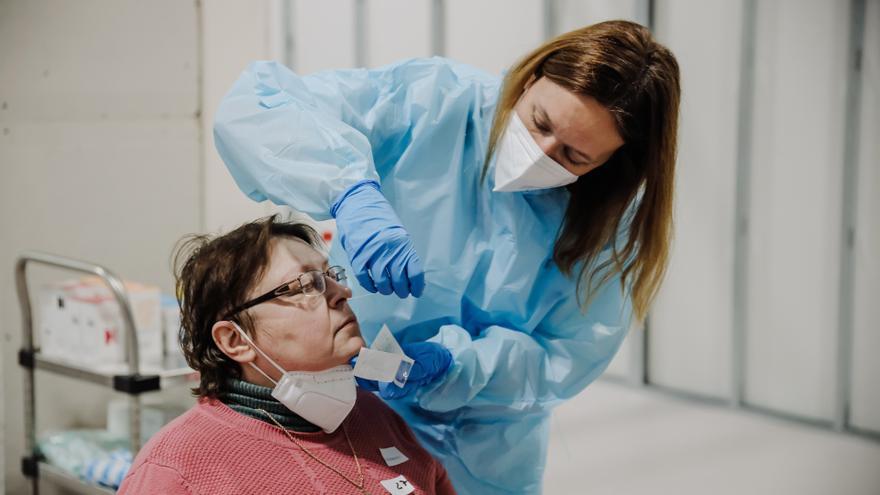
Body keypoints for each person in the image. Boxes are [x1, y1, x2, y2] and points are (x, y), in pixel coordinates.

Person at [214, 20, 680, 494]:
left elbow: (567, 355)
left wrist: (459, 367)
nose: (540, 152)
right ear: (530, 77)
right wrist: (348, 189)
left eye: (573, 157)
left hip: (489, 448)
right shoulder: (435, 103)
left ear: (609, 165)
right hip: (354, 407)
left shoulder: (613, 219)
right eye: (539, 122)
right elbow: (257, 107)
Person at [117, 215, 456, 494]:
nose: (342, 292)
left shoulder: (377, 418)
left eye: (330, 275)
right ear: (235, 340)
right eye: (306, 286)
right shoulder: (177, 470)